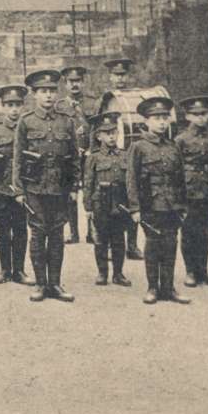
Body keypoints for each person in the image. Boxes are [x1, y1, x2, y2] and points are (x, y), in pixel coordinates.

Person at [12, 69, 81, 303]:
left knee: (57, 235)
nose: (49, 96)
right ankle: (40, 284)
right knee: (38, 235)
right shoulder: (26, 121)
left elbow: (74, 158)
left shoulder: (66, 121)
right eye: (43, 91)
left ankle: (55, 283)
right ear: (34, 95)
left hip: (60, 189)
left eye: (52, 91)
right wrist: (19, 190)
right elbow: (18, 158)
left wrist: (74, 188)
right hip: (34, 189)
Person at [127, 97, 189, 305]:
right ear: (146, 121)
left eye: (165, 118)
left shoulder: (173, 147)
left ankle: (168, 287)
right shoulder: (138, 147)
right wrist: (135, 208)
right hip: (150, 205)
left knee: (171, 245)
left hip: (172, 206)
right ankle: (152, 287)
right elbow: (132, 179)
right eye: (156, 118)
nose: (162, 122)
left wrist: (183, 205)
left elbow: (180, 179)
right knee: (153, 246)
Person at [175, 95, 208, 287]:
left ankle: (203, 270)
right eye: (195, 114)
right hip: (189, 192)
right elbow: (175, 169)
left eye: (203, 114)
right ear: (187, 116)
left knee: (206, 231)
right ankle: (190, 271)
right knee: (189, 232)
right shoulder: (181, 140)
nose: (200, 118)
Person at [98, 57, 143, 260]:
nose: (120, 78)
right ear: (110, 76)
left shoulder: (136, 98)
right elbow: (96, 129)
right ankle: (109, 245)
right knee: (111, 204)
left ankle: (132, 245)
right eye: (116, 75)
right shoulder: (106, 100)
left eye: (123, 74)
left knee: (132, 199)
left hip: (129, 155)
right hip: (110, 159)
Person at [0, 84, 32, 283]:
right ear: (3, 106)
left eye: (17, 104)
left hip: (21, 188)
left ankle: (19, 271)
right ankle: (4, 269)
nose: (14, 109)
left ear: (22, 106)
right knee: (2, 229)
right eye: (9, 105)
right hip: (0, 188)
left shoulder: (28, 127)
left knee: (21, 229)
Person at [83, 112, 133, 287]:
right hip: (100, 204)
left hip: (120, 203)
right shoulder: (93, 157)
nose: (112, 136)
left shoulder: (125, 155)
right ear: (99, 136)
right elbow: (88, 182)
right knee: (101, 239)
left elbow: (130, 182)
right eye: (107, 133)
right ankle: (102, 273)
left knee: (119, 239)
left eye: (114, 132)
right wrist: (88, 206)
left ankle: (118, 274)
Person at [58, 65, 94, 244]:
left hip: (89, 154)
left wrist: (91, 149)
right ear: (65, 84)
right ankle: (73, 232)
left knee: (91, 190)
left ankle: (91, 231)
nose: (75, 85)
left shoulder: (92, 103)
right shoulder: (59, 106)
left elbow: (96, 128)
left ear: (83, 82)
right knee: (69, 193)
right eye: (71, 82)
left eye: (78, 81)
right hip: (69, 156)